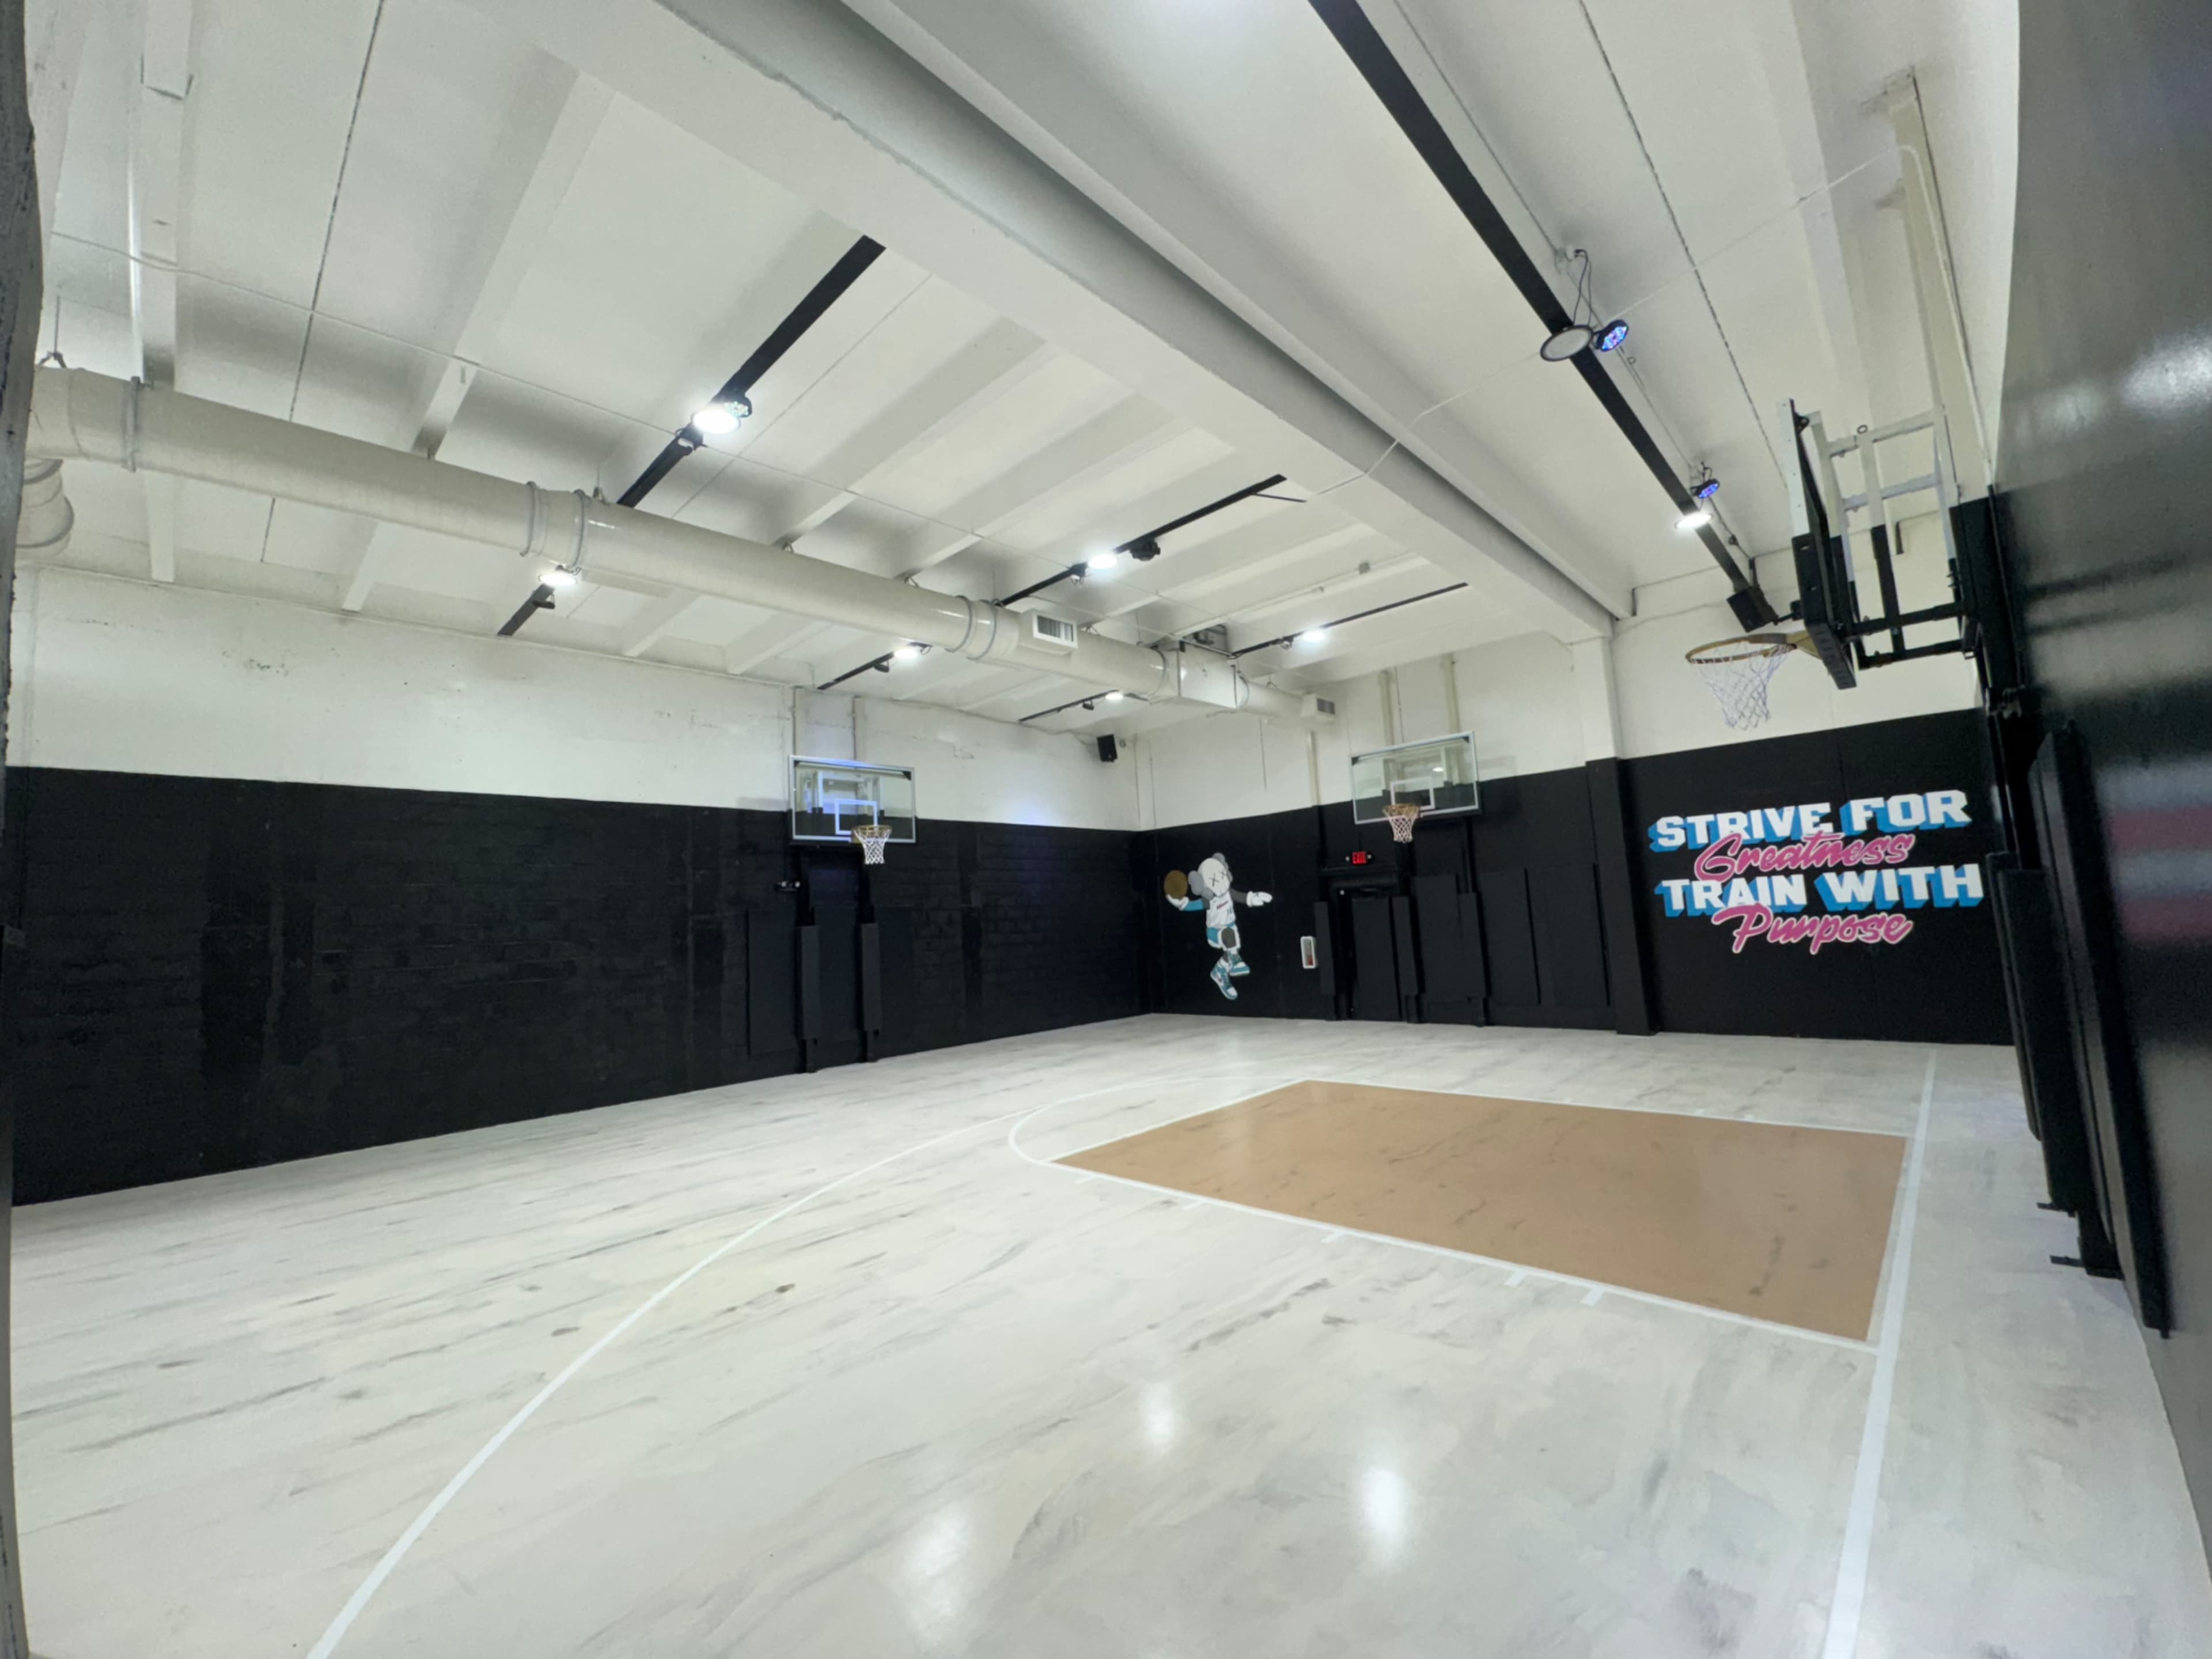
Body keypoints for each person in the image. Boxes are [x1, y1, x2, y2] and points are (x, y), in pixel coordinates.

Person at [1167, 853, 1272, 999]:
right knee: (1230, 941)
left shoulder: (1228, 893)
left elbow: (1242, 897)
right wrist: (1181, 904)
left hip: (1231, 927)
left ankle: (1219, 973)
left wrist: (1255, 898)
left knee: (1231, 944)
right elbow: (1193, 905)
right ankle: (1235, 959)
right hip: (1215, 932)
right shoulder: (1210, 900)